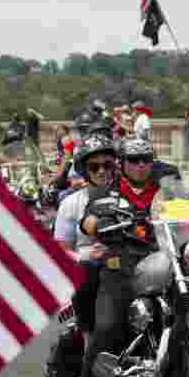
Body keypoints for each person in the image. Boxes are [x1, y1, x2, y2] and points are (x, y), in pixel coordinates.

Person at [71, 137, 161, 377]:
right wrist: (97, 225)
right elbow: (88, 222)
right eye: (134, 160)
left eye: (146, 159)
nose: (140, 165)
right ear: (122, 164)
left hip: (162, 264)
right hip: (120, 270)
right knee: (107, 328)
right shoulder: (109, 195)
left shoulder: (163, 192)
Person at [53, 136, 118, 349]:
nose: (101, 171)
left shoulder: (126, 198)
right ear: (84, 170)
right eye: (94, 166)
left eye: (107, 165)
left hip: (125, 265)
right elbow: (61, 251)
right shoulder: (71, 204)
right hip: (90, 270)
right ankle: (89, 345)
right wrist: (87, 256)